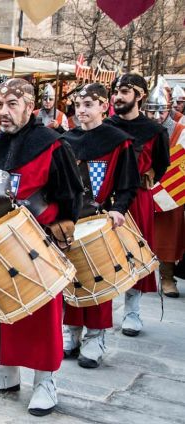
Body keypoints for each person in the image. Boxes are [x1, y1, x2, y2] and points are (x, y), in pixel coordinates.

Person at [0, 78, 84, 416]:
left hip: (39, 244)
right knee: (0, 309)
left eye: (12, 105)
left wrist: (58, 229)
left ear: (30, 107)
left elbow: (70, 196)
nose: (3, 112)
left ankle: (45, 382)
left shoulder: (52, 145)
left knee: (40, 317)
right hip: (1, 243)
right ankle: (5, 374)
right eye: (0, 105)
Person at [60, 83, 140, 368]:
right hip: (69, 222)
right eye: (78, 106)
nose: (81, 111)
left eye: (88, 105)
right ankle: (71, 333)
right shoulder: (65, 140)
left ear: (104, 106)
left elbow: (129, 184)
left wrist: (118, 210)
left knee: (98, 280)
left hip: (99, 220)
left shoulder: (119, 141)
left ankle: (95, 338)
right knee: (70, 279)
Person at [105, 73, 170, 337]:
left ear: (140, 96)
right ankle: (101, 311)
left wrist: (141, 180)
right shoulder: (106, 126)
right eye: (116, 91)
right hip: (106, 198)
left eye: (124, 91)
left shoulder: (154, 131)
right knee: (104, 254)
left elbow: (161, 165)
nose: (118, 96)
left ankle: (132, 310)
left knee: (136, 253)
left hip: (138, 198)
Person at [143, 81, 185, 298]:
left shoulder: (180, 130)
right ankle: (141, 276)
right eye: (151, 110)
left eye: (161, 111)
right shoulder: (141, 128)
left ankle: (167, 277)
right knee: (142, 233)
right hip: (144, 186)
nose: (156, 115)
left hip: (170, 192)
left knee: (170, 233)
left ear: (169, 109)